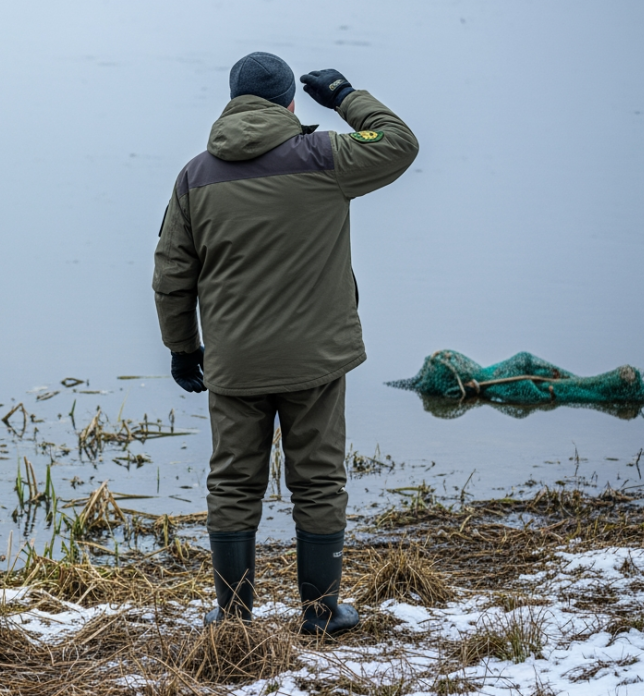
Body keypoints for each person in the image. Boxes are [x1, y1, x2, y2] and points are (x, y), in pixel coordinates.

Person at [152, 52, 418, 636]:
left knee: (231, 481)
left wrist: (182, 348)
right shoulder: (325, 156)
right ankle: (321, 613)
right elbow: (399, 143)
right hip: (316, 359)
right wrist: (346, 95)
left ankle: (233, 615)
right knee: (318, 480)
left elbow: (173, 272)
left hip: (235, 360)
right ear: (290, 103)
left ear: (231, 99)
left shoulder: (196, 175)